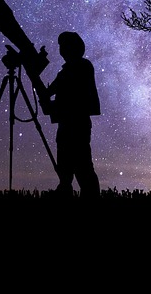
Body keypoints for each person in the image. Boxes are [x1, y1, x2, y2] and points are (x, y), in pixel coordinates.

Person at [41, 31, 101, 197]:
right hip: (68, 123)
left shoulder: (80, 67)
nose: (61, 50)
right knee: (65, 165)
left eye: (64, 46)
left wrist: (50, 100)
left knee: (82, 166)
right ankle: (65, 189)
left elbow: (69, 95)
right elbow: (52, 92)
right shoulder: (68, 70)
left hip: (76, 123)